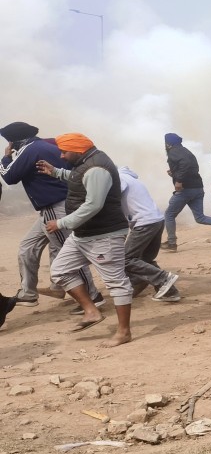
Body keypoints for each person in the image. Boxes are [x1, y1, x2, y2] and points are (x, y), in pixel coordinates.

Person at [37, 133, 133, 346]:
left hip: (104, 235)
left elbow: (93, 204)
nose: (61, 156)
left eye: (64, 152)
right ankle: (91, 312)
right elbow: (79, 178)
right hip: (83, 234)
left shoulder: (97, 168)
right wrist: (56, 172)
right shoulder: (85, 163)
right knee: (59, 271)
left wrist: (61, 223)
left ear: (77, 149)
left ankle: (124, 332)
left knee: (116, 283)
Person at [1, 121, 101, 310]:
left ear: (14, 141)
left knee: (68, 251)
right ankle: (29, 293)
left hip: (55, 207)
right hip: (54, 206)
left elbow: (9, 176)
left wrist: (6, 158)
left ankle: (93, 296)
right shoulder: (48, 145)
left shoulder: (30, 149)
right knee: (27, 247)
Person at [118, 167, 181, 302]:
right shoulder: (129, 177)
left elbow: (111, 200)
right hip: (156, 220)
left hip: (144, 223)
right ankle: (170, 292)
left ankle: (164, 279)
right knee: (145, 260)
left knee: (126, 259)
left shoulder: (118, 178)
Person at [162, 133, 211, 252]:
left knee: (169, 215)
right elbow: (191, 168)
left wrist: (179, 180)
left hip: (186, 190)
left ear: (168, 144)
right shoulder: (186, 151)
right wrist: (174, 174)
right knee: (200, 218)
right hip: (198, 188)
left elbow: (185, 164)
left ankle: (171, 243)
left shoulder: (173, 151)